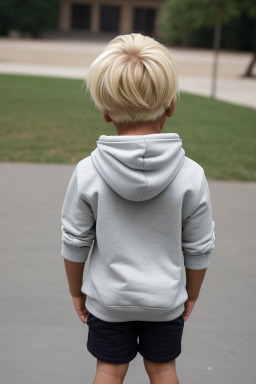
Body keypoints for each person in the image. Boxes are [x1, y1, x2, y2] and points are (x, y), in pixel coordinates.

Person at [61, 33, 215, 384]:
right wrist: (190, 294)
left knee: (108, 371)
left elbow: (75, 241)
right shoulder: (191, 175)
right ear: (171, 105)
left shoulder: (88, 172)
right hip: (165, 301)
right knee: (163, 369)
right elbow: (199, 246)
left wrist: (76, 290)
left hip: (109, 300)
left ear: (104, 111)